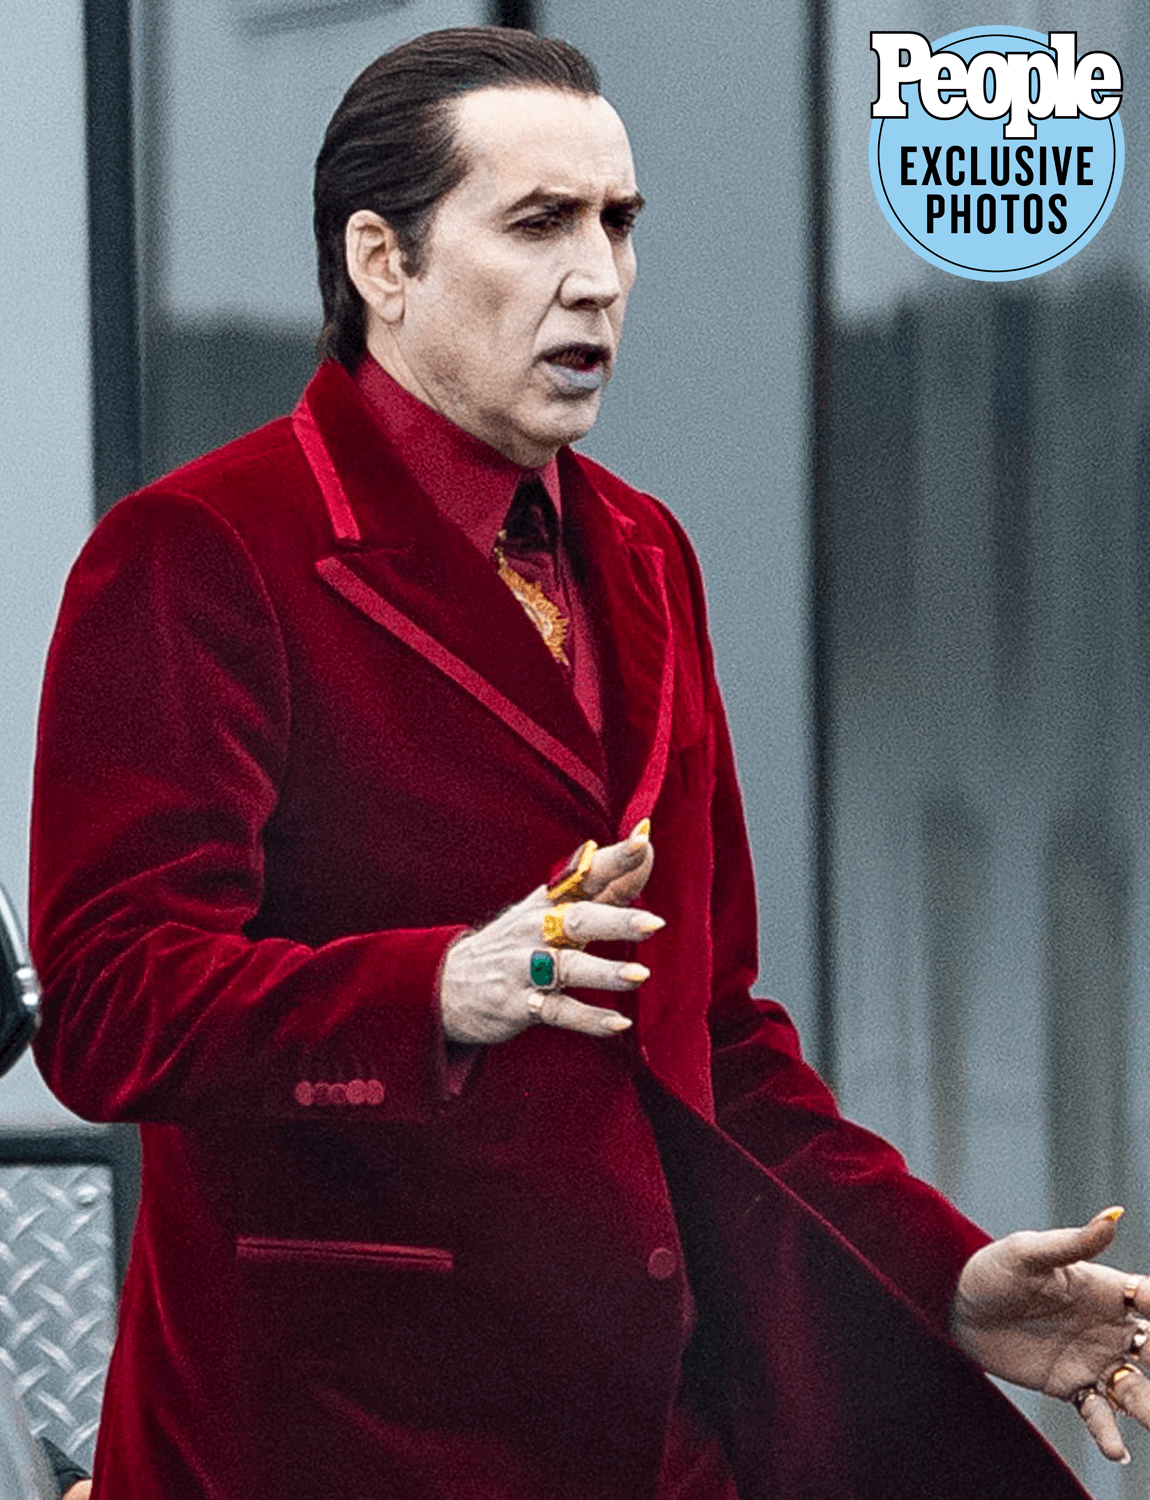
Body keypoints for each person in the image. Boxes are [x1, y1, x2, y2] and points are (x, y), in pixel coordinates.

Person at [26, 25, 1150, 1499]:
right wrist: (436, 987)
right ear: (381, 261)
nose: (599, 276)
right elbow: (108, 1005)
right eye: (539, 223)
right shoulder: (198, 553)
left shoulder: (642, 550)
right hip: (337, 1442)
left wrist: (937, 1277)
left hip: (656, 1440)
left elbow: (712, 1036)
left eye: (618, 223)